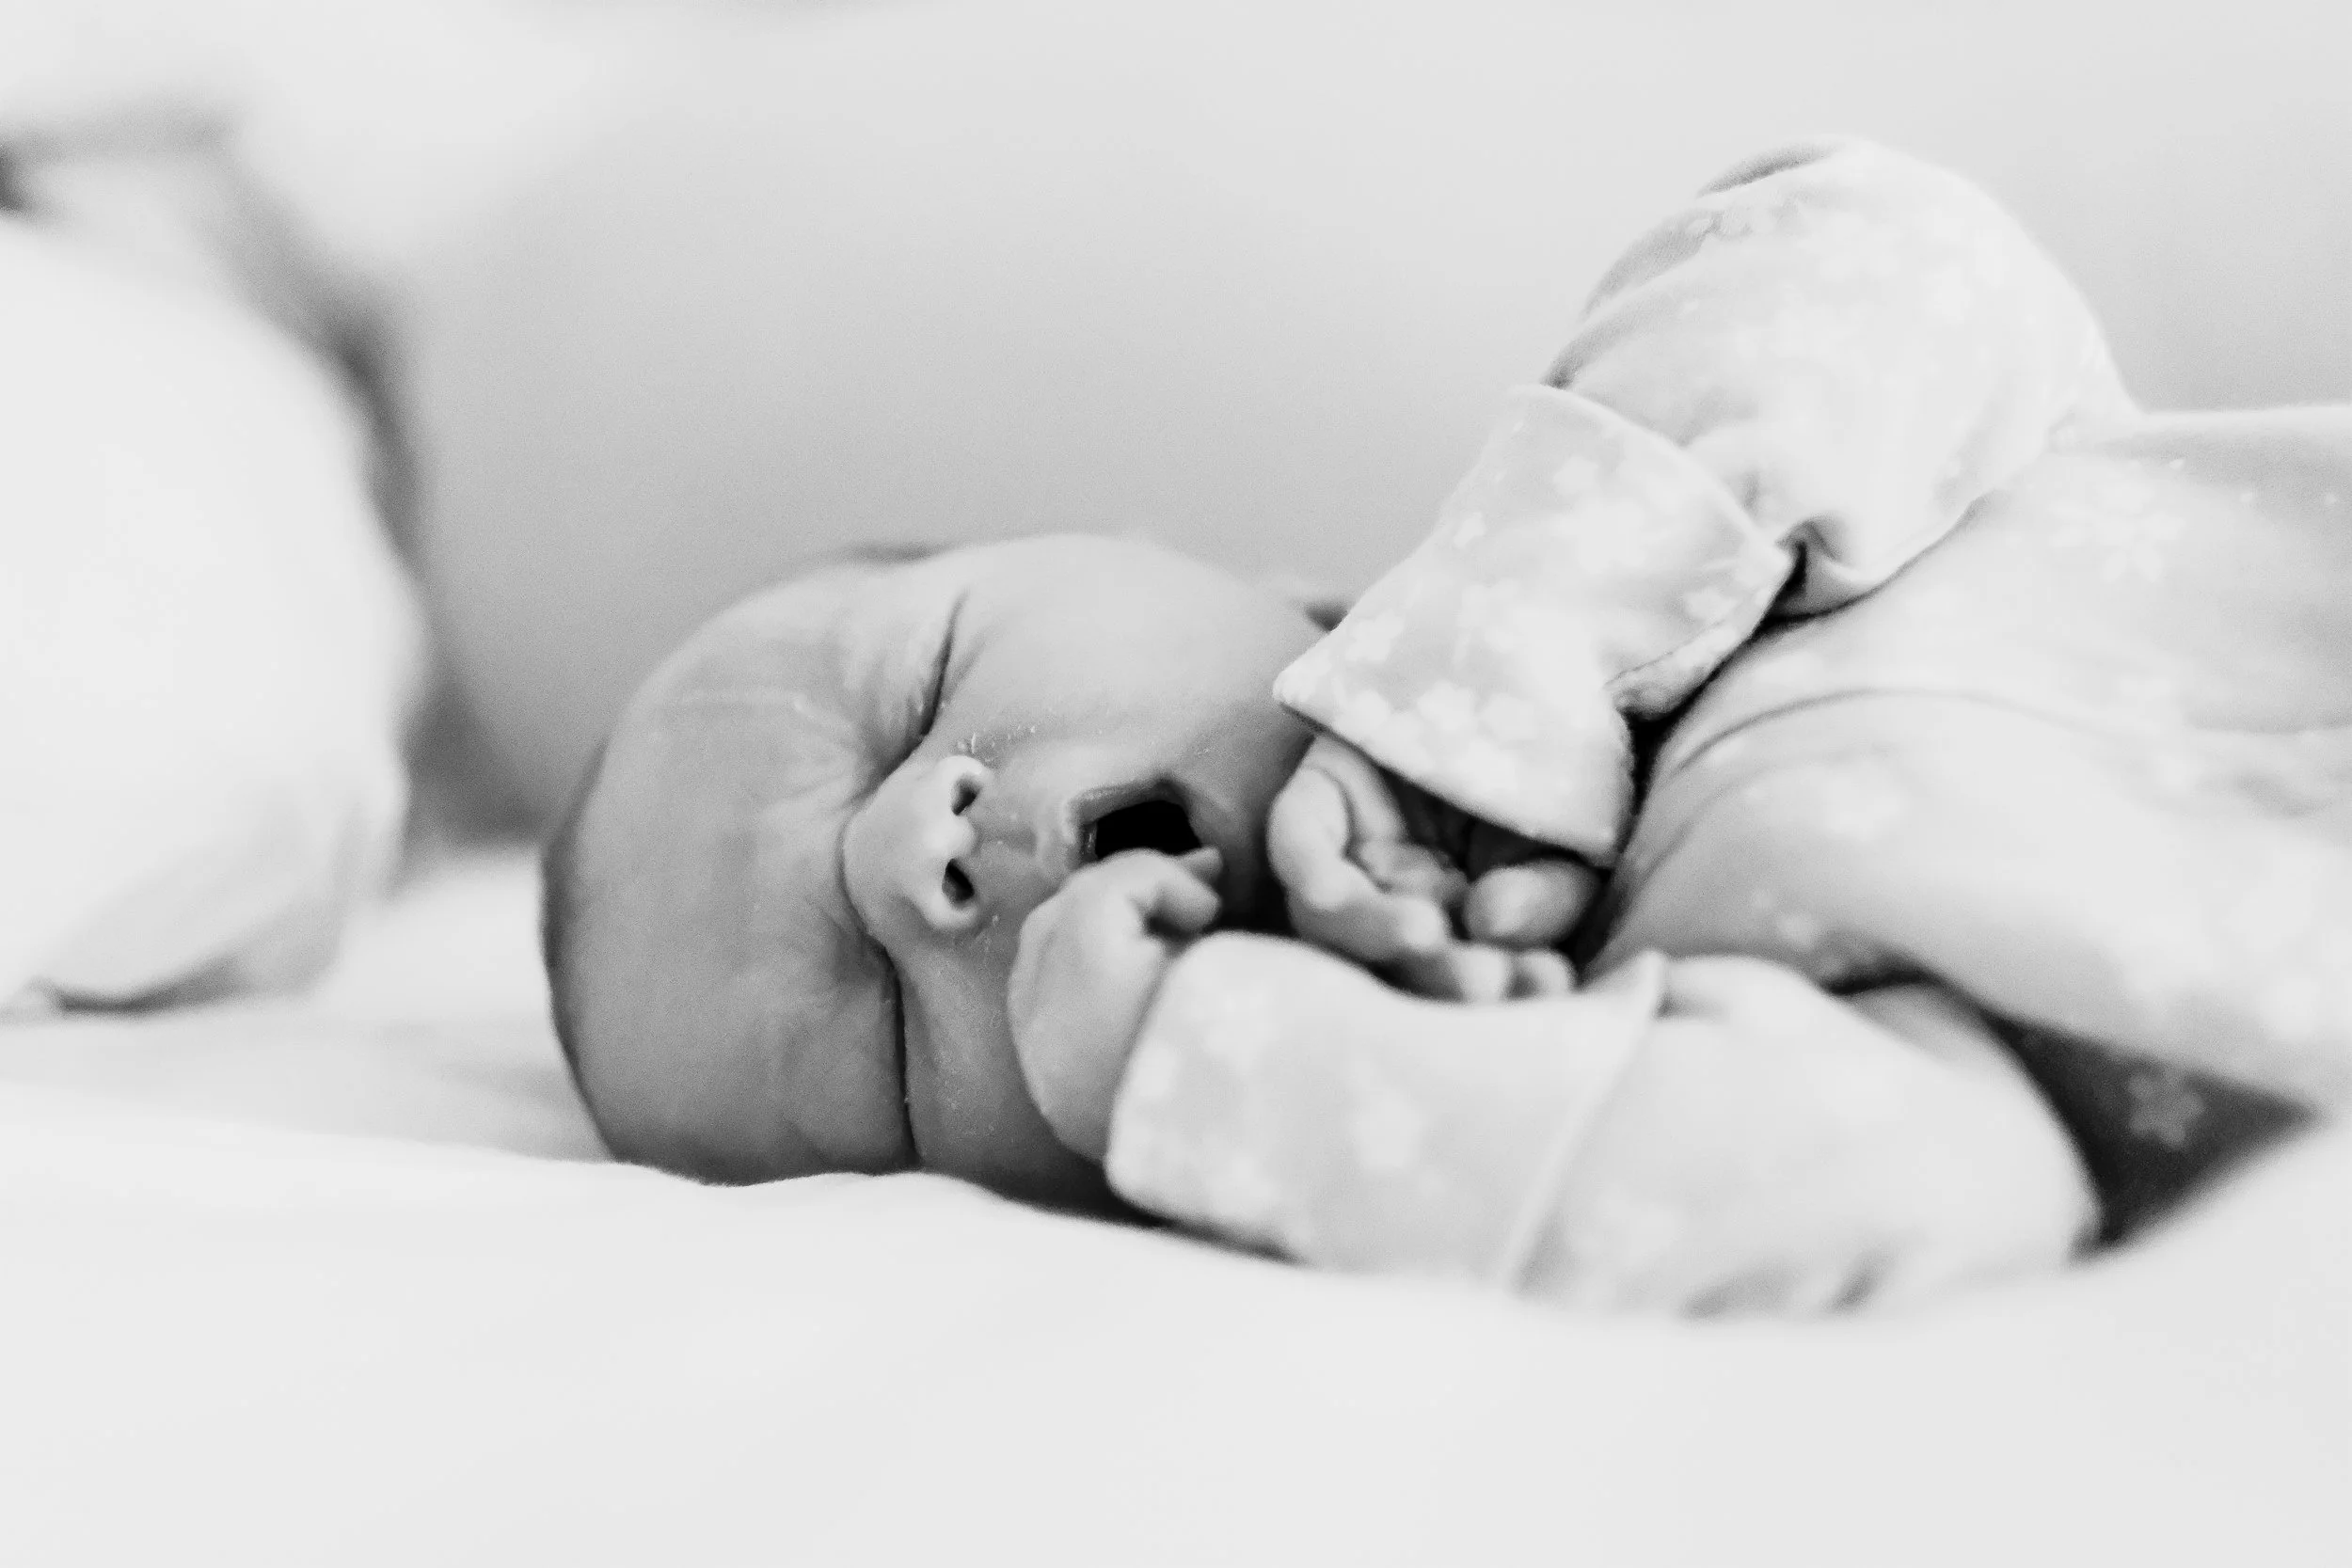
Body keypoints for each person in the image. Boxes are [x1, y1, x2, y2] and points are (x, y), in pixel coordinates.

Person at [1009, 138, 2343, 1307]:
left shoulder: (1614, 536)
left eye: (914, 688)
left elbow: (1897, 256)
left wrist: (1484, 672)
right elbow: (1934, 1191)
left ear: (1255, 585)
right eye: (876, 1014)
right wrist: (1224, 1071)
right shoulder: (1661, 1050)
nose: (911, 850)